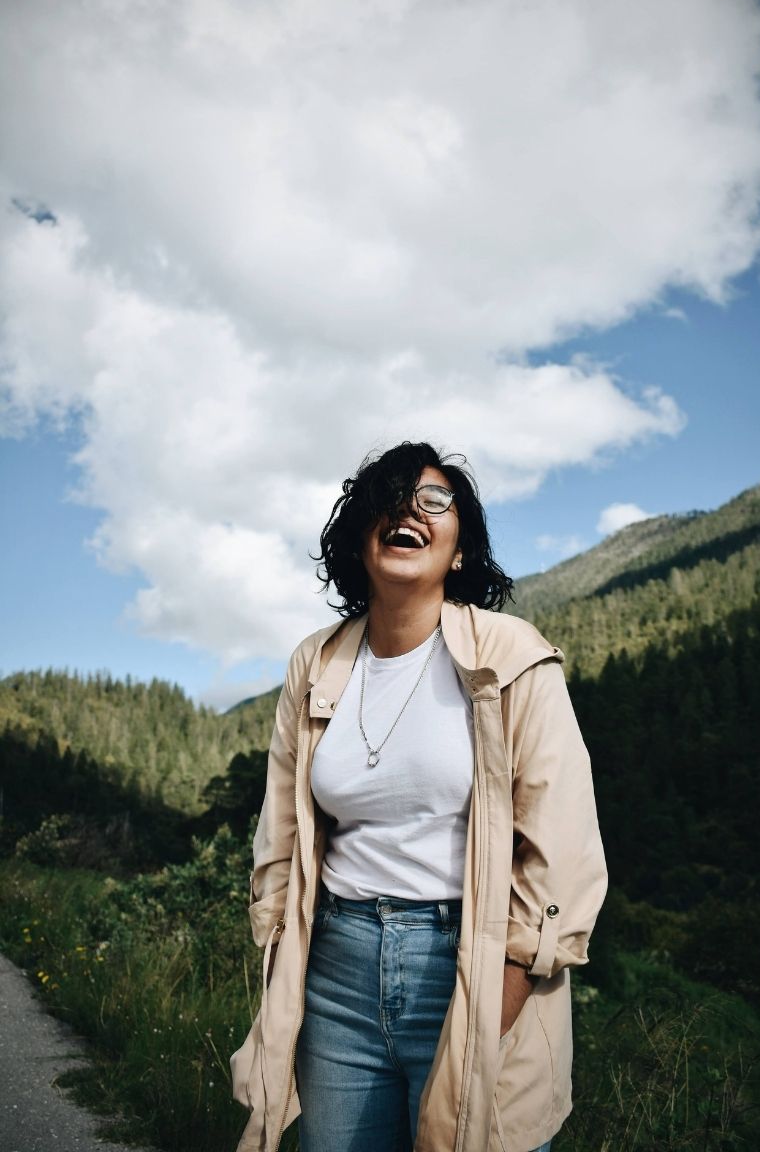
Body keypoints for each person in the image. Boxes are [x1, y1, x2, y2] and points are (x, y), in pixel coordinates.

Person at [230, 441, 607, 1152]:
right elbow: (278, 831)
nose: (410, 510)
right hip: (335, 972)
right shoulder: (315, 665)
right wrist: (281, 956)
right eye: (391, 498)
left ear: (461, 549)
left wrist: (503, 991)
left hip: (471, 962)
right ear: (359, 537)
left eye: (435, 501)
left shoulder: (512, 656)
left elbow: (562, 847)